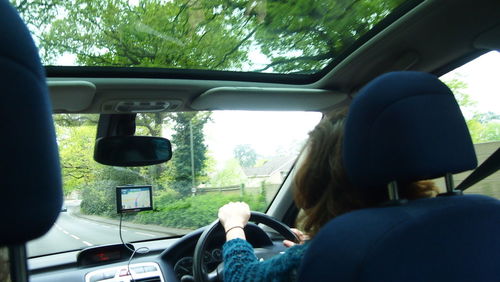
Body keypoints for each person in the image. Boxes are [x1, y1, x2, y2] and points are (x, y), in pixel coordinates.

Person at [218, 107, 440, 282]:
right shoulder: (448, 222)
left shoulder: (335, 254)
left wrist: (234, 226)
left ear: (317, 178)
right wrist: (317, 245)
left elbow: (242, 276)